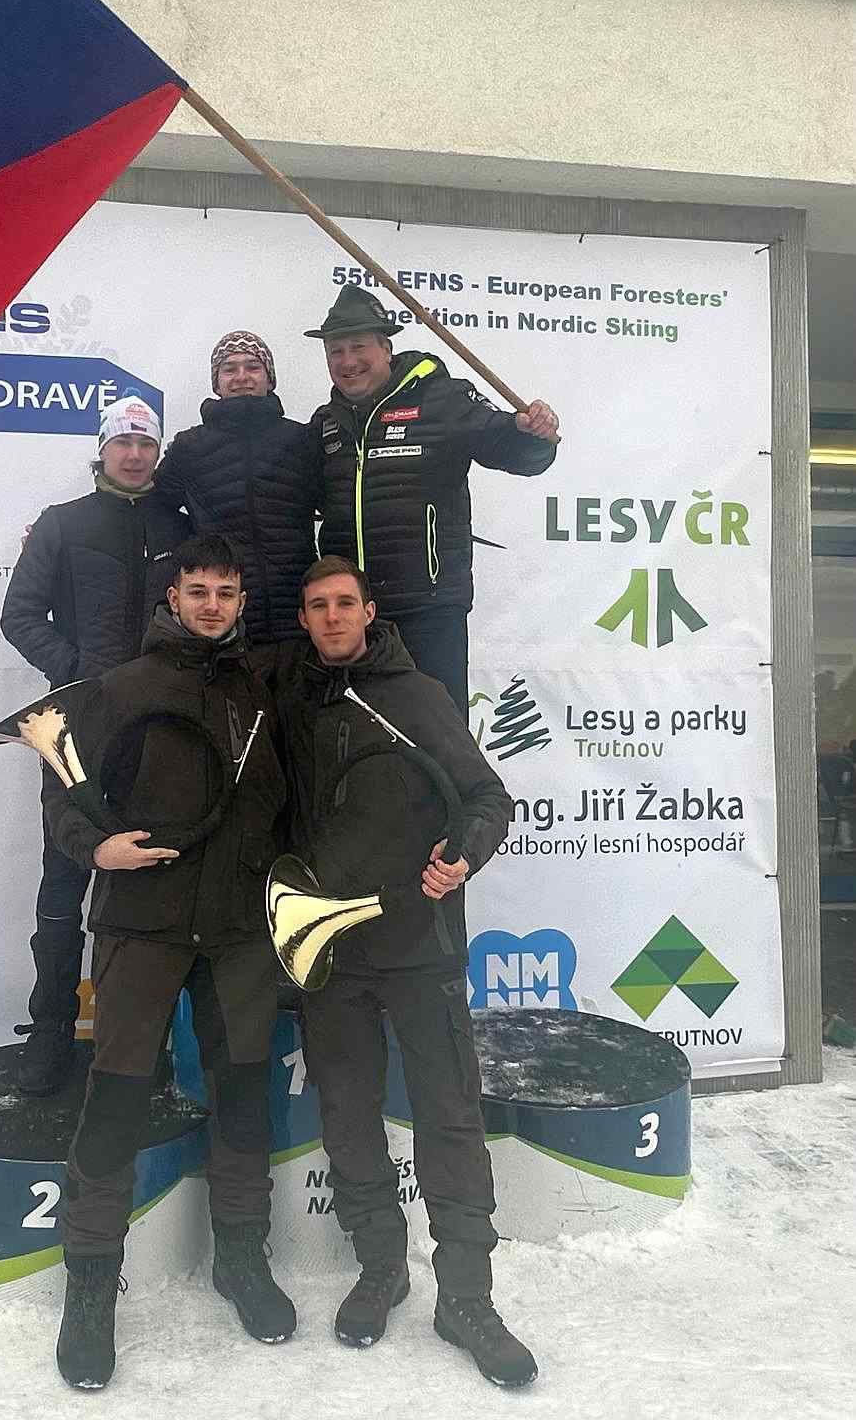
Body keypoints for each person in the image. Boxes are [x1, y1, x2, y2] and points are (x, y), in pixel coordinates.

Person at [275, 555, 536, 1387]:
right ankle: (380, 1267)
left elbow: (487, 799)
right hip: (332, 954)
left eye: (343, 603)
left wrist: (462, 857)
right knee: (347, 1116)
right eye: (316, 606)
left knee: (448, 1118)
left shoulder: (418, 695)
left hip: (420, 948)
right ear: (304, 618)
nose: (330, 617)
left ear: (368, 610)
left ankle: (466, 1298)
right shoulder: (294, 703)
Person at [43, 534, 293, 1389]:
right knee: (114, 1102)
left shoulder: (264, 688)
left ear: (241, 602)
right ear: (173, 598)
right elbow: (60, 789)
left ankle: (242, 1259)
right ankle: (89, 1285)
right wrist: (94, 847)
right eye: (197, 591)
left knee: (243, 1099)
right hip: (140, 927)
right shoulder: (121, 686)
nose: (211, 606)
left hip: (239, 931)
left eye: (226, 592)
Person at [0, 394, 188, 1094]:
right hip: (76, 726)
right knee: (63, 882)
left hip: (156, 730)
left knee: (145, 884)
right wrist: (77, 671)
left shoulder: (179, 525)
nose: (134, 455)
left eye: (145, 443)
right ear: (102, 451)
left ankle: (139, 1038)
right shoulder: (61, 523)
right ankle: (50, 1030)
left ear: (157, 453)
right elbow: (19, 615)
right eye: (122, 443)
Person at [308, 284, 560, 717]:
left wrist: (535, 435)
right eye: (336, 351)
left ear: (386, 348)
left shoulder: (443, 398)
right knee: (360, 735)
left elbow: (513, 449)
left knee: (438, 735)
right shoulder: (326, 422)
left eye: (358, 347)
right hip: (352, 615)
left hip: (429, 610)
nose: (347, 361)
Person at [155, 330, 319, 642]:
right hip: (223, 622)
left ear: (269, 379)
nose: (241, 376)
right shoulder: (190, 447)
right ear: (216, 383)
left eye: (253, 367)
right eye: (229, 369)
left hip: (298, 618)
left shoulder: (302, 440)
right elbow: (153, 509)